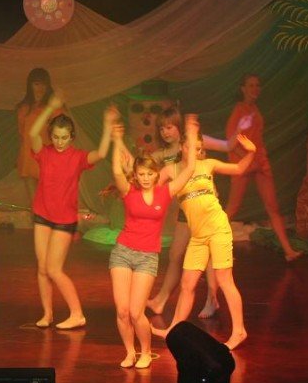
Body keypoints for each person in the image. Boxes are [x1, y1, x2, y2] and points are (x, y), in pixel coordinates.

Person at [152, 125, 257, 350]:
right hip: (198, 235)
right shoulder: (171, 170)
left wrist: (251, 152)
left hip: (218, 228)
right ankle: (173, 329)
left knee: (225, 280)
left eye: (199, 149)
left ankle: (239, 331)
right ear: (182, 147)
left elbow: (239, 168)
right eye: (192, 147)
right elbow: (150, 186)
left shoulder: (208, 164)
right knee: (187, 284)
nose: (196, 152)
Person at [109, 115, 198, 368]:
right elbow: (116, 171)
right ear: (136, 175)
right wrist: (117, 140)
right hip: (123, 252)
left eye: (150, 173)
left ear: (156, 174)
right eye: (142, 174)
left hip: (147, 256)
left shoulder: (164, 192)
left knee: (136, 311)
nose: (146, 178)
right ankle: (130, 352)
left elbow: (189, 169)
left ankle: (146, 352)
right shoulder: (129, 191)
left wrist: (191, 136)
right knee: (122, 311)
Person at [28, 90, 116, 329]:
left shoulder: (77, 157)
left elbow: (101, 154)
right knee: (42, 268)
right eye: (56, 137)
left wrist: (107, 126)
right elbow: (32, 133)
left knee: (54, 269)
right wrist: (50, 107)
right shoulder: (44, 153)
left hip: (64, 220)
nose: (59, 142)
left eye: (64, 137)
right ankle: (47, 314)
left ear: (71, 137)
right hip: (42, 215)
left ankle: (77, 314)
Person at [146, 108, 238, 318]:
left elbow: (227, 145)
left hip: (205, 208)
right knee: (175, 254)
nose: (165, 132)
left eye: (169, 127)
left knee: (210, 258)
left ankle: (212, 299)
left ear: (179, 127)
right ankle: (160, 300)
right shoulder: (163, 154)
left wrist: (240, 130)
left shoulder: (196, 140)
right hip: (185, 211)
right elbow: (148, 170)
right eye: (161, 129)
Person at [223, 74, 303, 262]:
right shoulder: (239, 109)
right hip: (244, 163)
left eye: (257, 85)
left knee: (273, 207)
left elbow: (256, 137)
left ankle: (288, 251)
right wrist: (246, 159)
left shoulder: (255, 109)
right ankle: (214, 248)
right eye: (251, 85)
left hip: (260, 161)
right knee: (232, 208)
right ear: (243, 88)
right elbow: (230, 140)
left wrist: (257, 159)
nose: (255, 88)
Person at [15, 68, 64, 205]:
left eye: (43, 84)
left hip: (47, 160)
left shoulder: (54, 108)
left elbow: (61, 136)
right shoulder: (24, 108)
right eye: (36, 84)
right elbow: (22, 134)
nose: (40, 88)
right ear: (30, 85)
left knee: (50, 203)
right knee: (35, 205)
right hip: (28, 159)